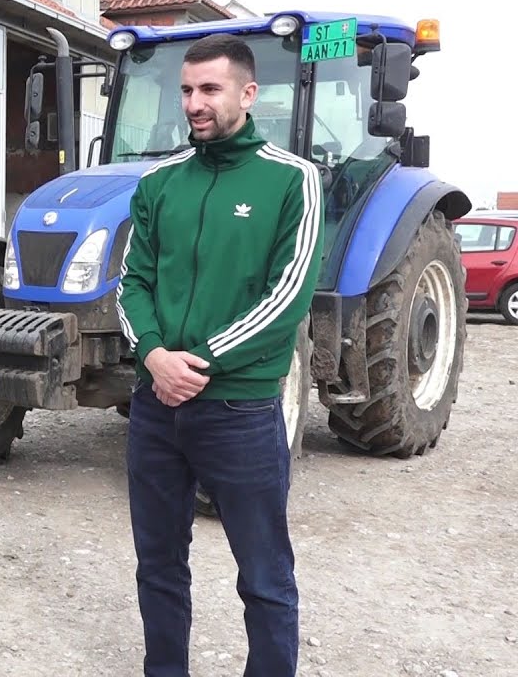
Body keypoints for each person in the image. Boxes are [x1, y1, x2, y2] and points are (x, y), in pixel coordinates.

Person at [115, 33, 323, 676]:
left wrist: (192, 360)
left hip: (238, 409)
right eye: (186, 90)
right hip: (156, 409)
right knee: (158, 564)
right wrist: (154, 358)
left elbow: (285, 296)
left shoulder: (293, 180)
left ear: (247, 93)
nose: (195, 103)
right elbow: (133, 283)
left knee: (263, 574)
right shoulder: (158, 182)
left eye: (209, 89)